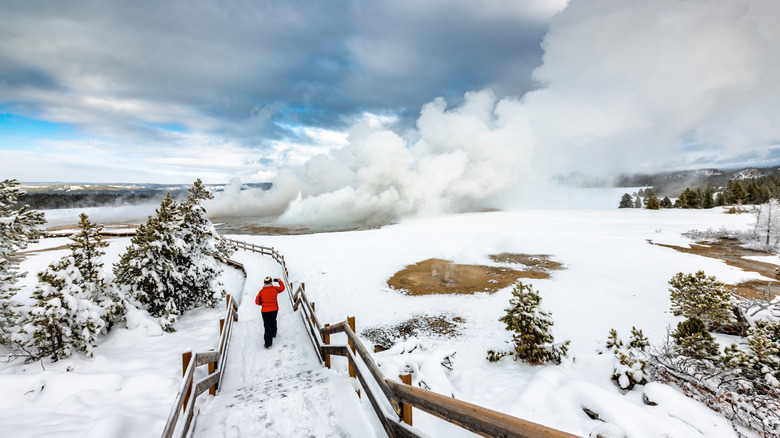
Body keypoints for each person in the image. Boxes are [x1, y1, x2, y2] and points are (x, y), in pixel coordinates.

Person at [255, 276, 286, 348]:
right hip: (274, 309)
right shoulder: (275, 289)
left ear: (264, 283)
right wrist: (279, 281)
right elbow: (282, 288)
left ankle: (268, 343)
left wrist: (263, 304)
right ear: (271, 282)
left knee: (267, 326)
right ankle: (273, 333)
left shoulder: (261, 291)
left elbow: (257, 301)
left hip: (265, 311)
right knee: (273, 320)